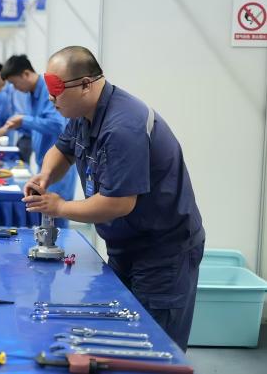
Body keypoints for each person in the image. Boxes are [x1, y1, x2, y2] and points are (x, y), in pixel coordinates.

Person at [22, 46, 205, 351]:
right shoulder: (83, 114)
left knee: (153, 348)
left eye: (57, 90)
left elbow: (118, 203)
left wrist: (60, 207)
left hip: (163, 253)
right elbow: (62, 150)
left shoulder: (123, 127)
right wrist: (45, 175)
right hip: (126, 246)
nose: (51, 99)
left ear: (85, 84)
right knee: (117, 338)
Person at [0, 54, 76, 227]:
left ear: (26, 74)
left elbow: (57, 125)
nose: (15, 88)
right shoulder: (31, 93)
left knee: (57, 218)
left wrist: (24, 120)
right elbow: (38, 126)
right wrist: (19, 125)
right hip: (44, 164)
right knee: (46, 218)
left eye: (14, 83)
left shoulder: (49, 91)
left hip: (60, 166)